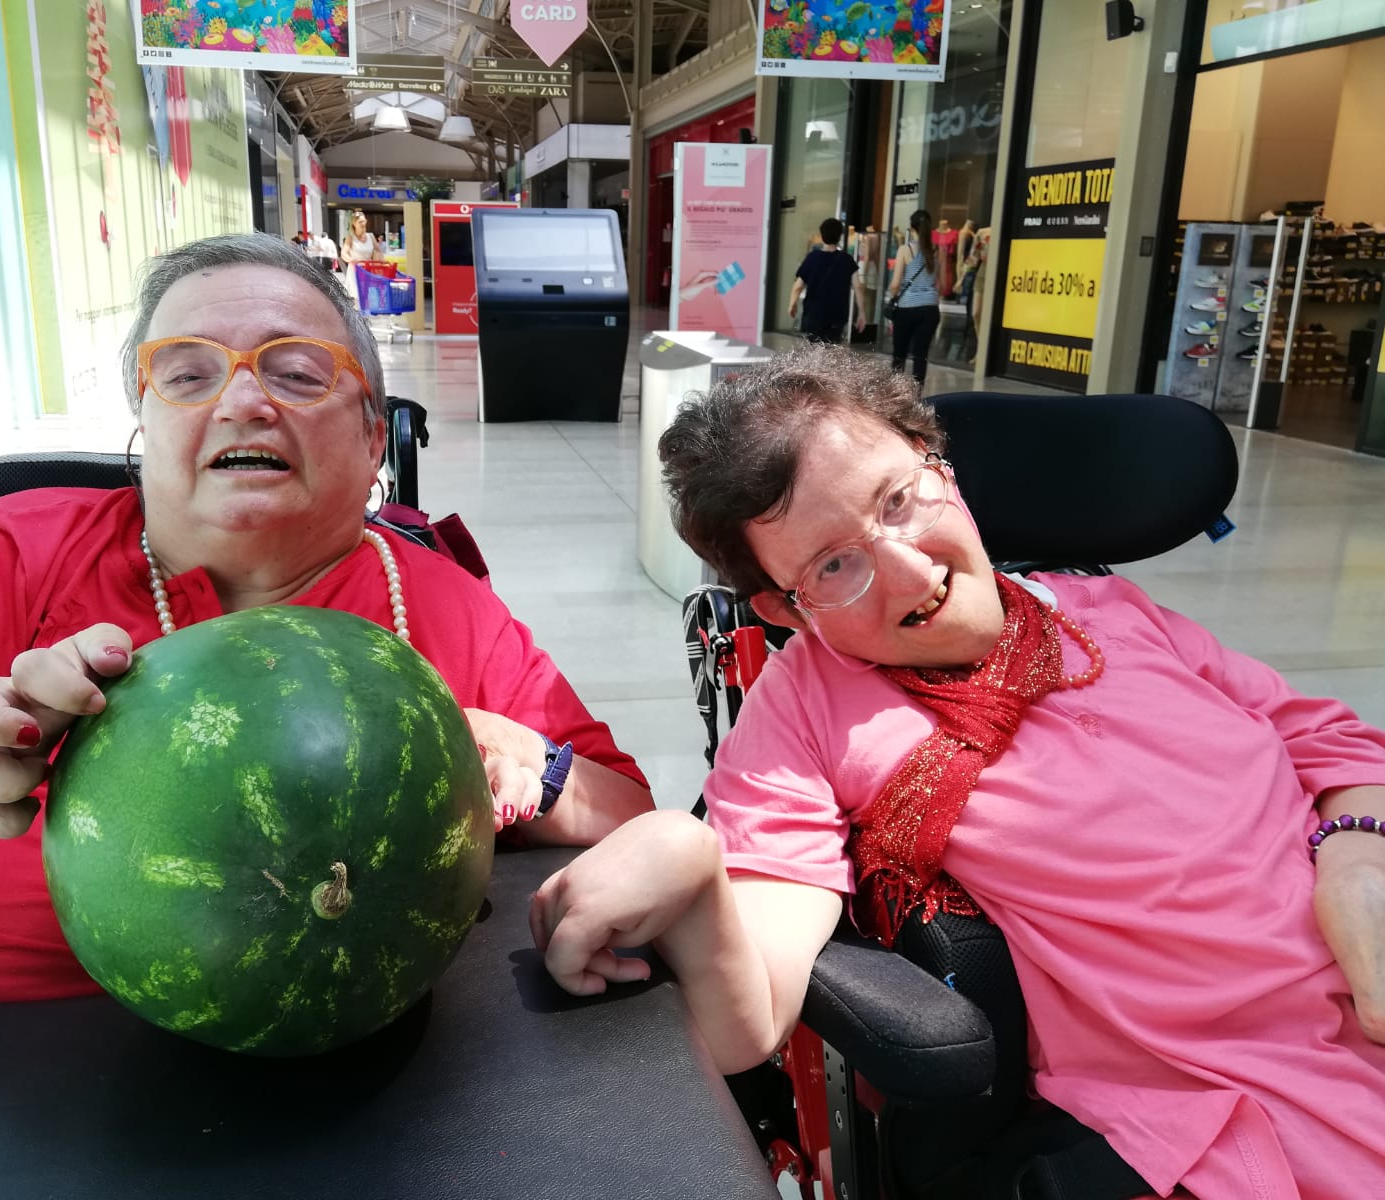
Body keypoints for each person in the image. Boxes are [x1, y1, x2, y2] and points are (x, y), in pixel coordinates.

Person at [530, 343, 1385, 1199]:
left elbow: (1326, 738)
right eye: (833, 565)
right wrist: (683, 857)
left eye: (899, 500)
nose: (912, 572)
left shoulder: (1105, 609)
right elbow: (745, 1025)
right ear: (784, 608)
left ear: (937, 464)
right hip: (1238, 1103)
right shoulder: (807, 716)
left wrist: (1355, 853)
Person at [0, 232, 653, 1004]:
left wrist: (523, 761)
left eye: (297, 373)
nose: (242, 402)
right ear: (144, 424)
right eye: (188, 375)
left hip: (315, 1052)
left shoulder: (438, 604)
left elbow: (628, 820)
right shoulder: (8, 549)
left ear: (371, 440)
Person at [788, 217, 864, 345]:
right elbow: (858, 287)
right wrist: (862, 312)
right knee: (831, 349)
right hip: (837, 315)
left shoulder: (812, 258)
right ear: (839, 236)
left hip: (814, 315)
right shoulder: (847, 260)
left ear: (822, 236)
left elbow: (798, 286)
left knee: (813, 349)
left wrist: (792, 304)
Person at [887, 209, 942, 386]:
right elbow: (940, 283)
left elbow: (895, 284)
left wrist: (893, 296)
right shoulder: (937, 250)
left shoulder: (905, 250)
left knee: (899, 354)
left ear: (912, 229)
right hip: (930, 309)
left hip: (906, 308)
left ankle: (895, 393)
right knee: (921, 355)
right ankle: (917, 394)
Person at [340, 209, 382, 303]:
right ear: (354, 224)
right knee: (356, 300)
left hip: (368, 271)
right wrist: (352, 260)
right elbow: (344, 253)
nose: (363, 224)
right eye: (360, 222)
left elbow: (378, 251)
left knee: (369, 299)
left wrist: (379, 263)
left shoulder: (371, 236)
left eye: (364, 221)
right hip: (355, 271)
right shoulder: (350, 238)